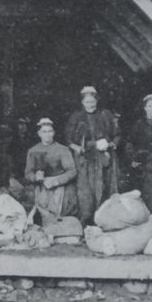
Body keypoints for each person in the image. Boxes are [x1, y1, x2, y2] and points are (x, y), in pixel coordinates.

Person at [65, 85, 120, 224]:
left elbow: (117, 134)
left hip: (104, 158)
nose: (90, 104)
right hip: (85, 160)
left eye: (92, 101)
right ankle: (86, 221)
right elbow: (69, 139)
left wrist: (112, 143)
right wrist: (87, 145)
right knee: (86, 190)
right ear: (82, 102)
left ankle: (104, 220)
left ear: (97, 100)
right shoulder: (76, 117)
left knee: (104, 188)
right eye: (87, 102)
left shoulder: (106, 115)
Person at [25, 117, 78, 223]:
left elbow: (72, 171)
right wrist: (35, 177)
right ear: (39, 133)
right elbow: (28, 173)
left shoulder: (62, 149)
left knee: (63, 211)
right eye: (44, 132)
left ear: (54, 133)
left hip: (61, 187)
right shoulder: (33, 150)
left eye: (50, 131)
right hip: (41, 186)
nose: (47, 135)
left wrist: (56, 181)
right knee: (39, 211)